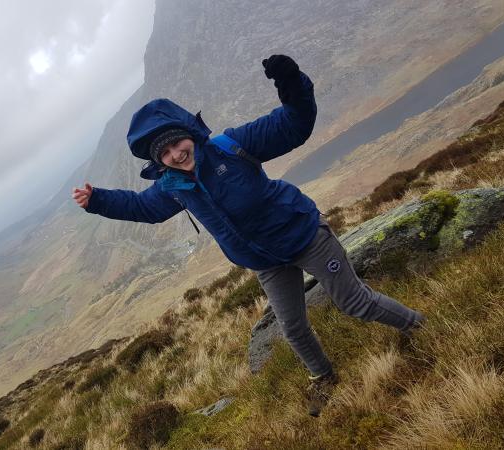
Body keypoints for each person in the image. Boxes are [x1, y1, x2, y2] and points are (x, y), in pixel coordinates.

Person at [72, 55, 425, 416]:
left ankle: (421, 328)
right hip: (266, 262)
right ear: (158, 162)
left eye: (177, 143)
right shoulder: (173, 187)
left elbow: (293, 125)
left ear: (188, 135)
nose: (176, 154)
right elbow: (143, 208)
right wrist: (98, 200)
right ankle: (324, 377)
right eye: (164, 153)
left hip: (304, 235)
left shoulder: (230, 146)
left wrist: (290, 81)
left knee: (355, 303)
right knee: (293, 329)